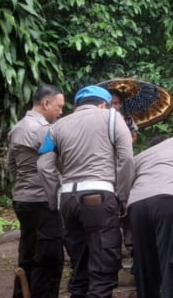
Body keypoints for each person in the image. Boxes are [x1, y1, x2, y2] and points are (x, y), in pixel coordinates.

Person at [37, 85, 133, 298]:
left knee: (79, 269)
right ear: (103, 104)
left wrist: (55, 201)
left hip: (68, 199)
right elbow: (126, 159)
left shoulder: (56, 126)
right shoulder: (111, 117)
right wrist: (123, 197)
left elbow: (44, 166)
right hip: (99, 197)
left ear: (77, 105)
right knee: (102, 270)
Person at [8, 84, 65, 298]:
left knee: (28, 255)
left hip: (22, 198)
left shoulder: (17, 128)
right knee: (49, 260)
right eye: (58, 107)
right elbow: (52, 166)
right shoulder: (44, 130)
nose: (61, 112)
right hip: (43, 200)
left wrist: (23, 184)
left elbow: (12, 165)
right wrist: (54, 200)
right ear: (46, 103)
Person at [128, 135, 173, 298]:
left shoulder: (139, 156)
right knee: (172, 265)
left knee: (145, 268)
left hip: (137, 206)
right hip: (168, 201)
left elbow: (126, 180)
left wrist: (122, 204)